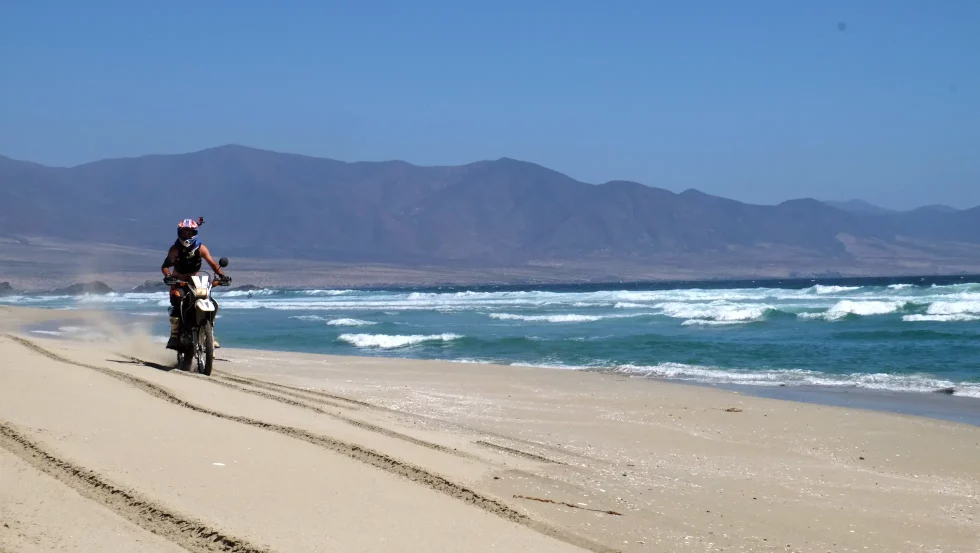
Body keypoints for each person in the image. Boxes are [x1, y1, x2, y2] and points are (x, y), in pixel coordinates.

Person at [161, 218, 227, 350]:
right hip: (178, 281)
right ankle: (174, 335)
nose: (187, 235)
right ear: (179, 233)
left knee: (211, 301)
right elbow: (165, 266)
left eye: (189, 233)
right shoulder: (175, 249)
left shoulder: (201, 248)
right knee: (177, 301)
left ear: (194, 233)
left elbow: (213, 264)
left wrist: (222, 276)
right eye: (184, 233)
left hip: (196, 281)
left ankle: (210, 335)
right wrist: (168, 276)